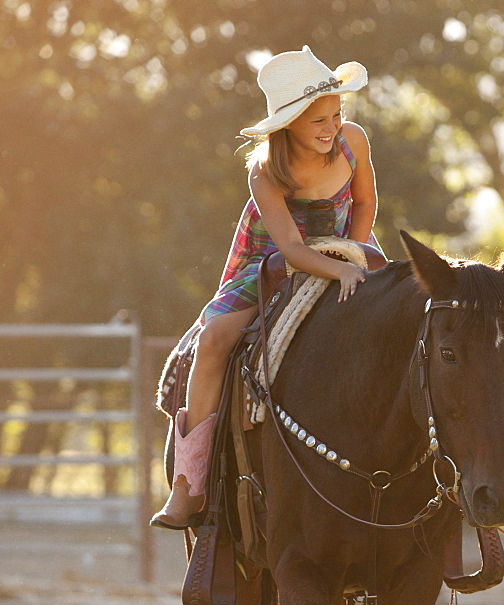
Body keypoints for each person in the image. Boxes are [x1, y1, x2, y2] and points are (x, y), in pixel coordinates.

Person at [152, 45, 381, 529]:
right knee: (215, 338)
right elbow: (293, 251)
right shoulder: (266, 170)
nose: (331, 127)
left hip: (346, 241)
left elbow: (364, 204)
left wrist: (352, 255)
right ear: (288, 124)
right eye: (317, 120)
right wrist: (335, 270)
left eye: (336, 115)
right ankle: (189, 481)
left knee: (406, 312)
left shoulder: (352, 141)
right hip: (275, 256)